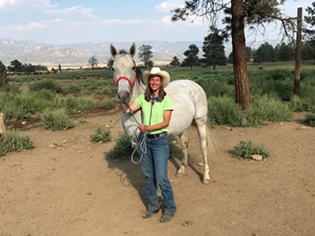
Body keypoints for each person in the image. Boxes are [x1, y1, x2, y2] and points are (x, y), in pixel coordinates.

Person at [120, 67, 176, 223]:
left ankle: (170, 208)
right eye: (152, 79)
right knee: (148, 176)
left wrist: (148, 128)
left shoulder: (166, 100)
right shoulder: (142, 99)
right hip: (145, 142)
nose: (154, 82)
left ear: (161, 82)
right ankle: (153, 205)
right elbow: (127, 110)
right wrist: (121, 99)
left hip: (160, 141)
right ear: (149, 82)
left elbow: (166, 122)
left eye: (157, 80)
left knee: (161, 177)